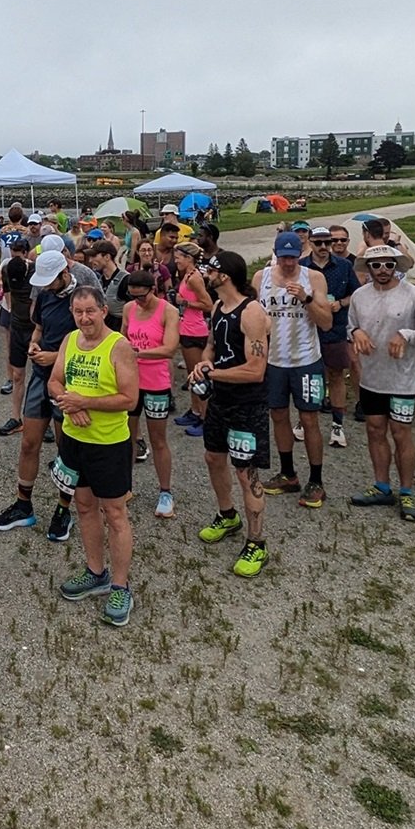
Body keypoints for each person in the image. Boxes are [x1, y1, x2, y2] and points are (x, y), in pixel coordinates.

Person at [48, 286, 140, 626]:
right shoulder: (70, 340)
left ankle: (120, 585)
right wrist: (67, 399)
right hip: (74, 439)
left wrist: (83, 403)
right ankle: (95, 571)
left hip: (109, 443)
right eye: (78, 311)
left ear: (103, 310)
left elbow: (129, 399)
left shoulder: (119, 347)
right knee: (84, 506)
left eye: (90, 311)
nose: (84, 318)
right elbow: (54, 382)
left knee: (115, 513)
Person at [0, 250, 83, 542]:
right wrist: (33, 344)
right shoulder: (44, 296)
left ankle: (63, 508)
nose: (44, 287)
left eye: (50, 281)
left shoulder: (80, 299)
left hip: (69, 381)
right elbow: (39, 327)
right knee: (29, 443)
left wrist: (53, 356)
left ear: (64, 275)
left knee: (65, 449)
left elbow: (88, 342)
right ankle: (23, 504)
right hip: (41, 376)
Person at [191, 252, 274, 577]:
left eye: (210, 270)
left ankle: (257, 542)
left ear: (223, 275)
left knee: (246, 473)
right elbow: (212, 344)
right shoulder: (217, 307)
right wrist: (203, 362)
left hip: (247, 404)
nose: (205, 274)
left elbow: (256, 370)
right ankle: (228, 515)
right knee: (213, 458)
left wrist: (212, 374)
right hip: (221, 400)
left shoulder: (251, 312)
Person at [347, 245, 415, 523]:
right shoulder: (359, 296)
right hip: (372, 377)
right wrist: (356, 332)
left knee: (401, 432)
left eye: (389, 265)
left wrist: (405, 334)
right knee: (375, 430)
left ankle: (407, 490)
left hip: (402, 380)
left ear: (397, 266)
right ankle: (381, 486)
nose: (383, 271)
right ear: (369, 268)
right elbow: (350, 325)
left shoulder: (414, 295)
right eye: (376, 265)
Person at [257, 231, 332, 508]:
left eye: (293, 257)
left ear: (300, 254)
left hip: (305, 360)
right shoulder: (261, 278)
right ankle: (288, 473)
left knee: (309, 419)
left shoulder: (313, 278)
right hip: (274, 361)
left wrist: (307, 299)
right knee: (277, 415)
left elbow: (325, 323)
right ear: (275, 254)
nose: (288, 263)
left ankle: (316, 480)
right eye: (283, 257)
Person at [122, 268, 181, 517]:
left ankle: (165, 492)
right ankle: (124, 486)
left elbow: (169, 349)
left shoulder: (168, 311)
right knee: (128, 436)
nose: (138, 301)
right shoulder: (129, 309)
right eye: (134, 296)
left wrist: (138, 353)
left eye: (142, 297)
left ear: (153, 290)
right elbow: (123, 337)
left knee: (158, 440)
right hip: (132, 380)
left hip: (156, 381)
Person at [300, 226, 360, 447]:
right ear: (311, 243)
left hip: (335, 328)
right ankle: (304, 420)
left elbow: (356, 292)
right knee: (308, 377)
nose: (324, 247)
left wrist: (341, 303)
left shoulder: (344, 266)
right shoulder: (302, 267)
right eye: (319, 243)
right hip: (307, 329)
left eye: (328, 242)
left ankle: (337, 424)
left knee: (336, 374)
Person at [171, 241, 216, 438]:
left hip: (195, 331)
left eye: (179, 257)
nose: (176, 260)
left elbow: (208, 304)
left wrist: (185, 302)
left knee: (198, 376)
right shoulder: (188, 275)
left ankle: (206, 418)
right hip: (187, 327)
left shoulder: (194, 278)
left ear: (188, 258)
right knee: (192, 374)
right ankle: (196, 410)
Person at [0, 236, 34, 435]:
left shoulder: (35, 271)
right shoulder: (7, 269)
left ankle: (41, 419)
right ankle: (16, 417)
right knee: (18, 374)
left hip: (35, 328)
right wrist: (11, 314)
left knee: (41, 375)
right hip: (18, 326)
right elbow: (8, 294)